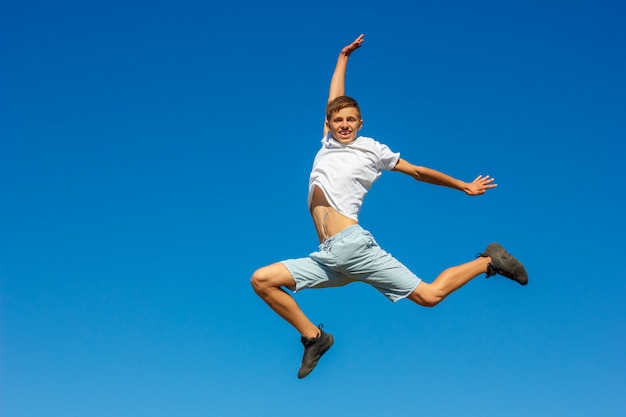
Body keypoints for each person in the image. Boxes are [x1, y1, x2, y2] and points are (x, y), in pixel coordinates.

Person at [251, 34, 527, 379]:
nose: (345, 125)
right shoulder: (327, 144)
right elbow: (334, 97)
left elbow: (417, 171)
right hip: (328, 257)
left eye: (351, 120)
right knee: (261, 280)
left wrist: (463, 185)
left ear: (360, 123)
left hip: (354, 247)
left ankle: (488, 260)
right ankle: (314, 338)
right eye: (338, 120)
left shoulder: (372, 149)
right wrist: (342, 57)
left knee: (429, 296)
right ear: (329, 123)